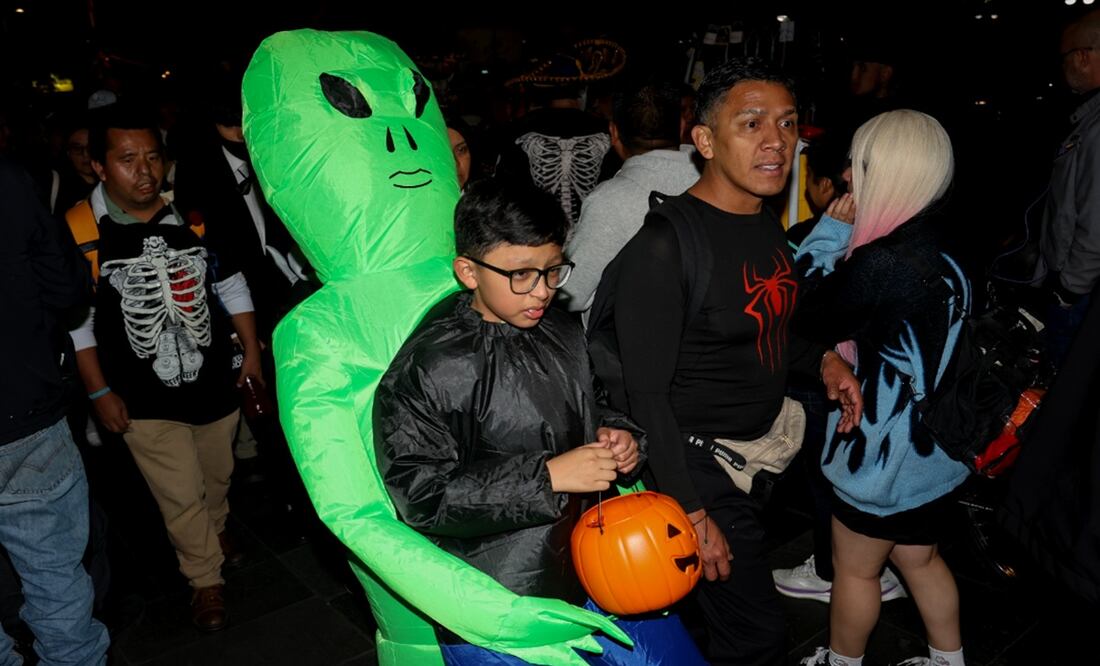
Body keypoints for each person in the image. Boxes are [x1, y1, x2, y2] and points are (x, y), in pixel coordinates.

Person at [375, 179, 704, 665]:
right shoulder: (430, 368)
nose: (543, 291)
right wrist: (548, 476)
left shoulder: (562, 329)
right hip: (501, 600)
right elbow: (423, 497)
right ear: (468, 271)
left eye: (554, 271)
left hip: (599, 563)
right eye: (522, 275)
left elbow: (594, 402)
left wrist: (621, 437)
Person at [611, 58, 862, 665]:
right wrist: (692, 513)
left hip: (757, 459)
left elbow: (763, 331)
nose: (776, 140)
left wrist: (822, 359)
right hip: (697, 469)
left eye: (787, 123)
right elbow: (645, 396)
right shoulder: (665, 245)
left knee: (719, 623)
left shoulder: (765, 223)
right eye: (751, 124)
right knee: (757, 637)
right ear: (704, 140)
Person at [65, 104, 263, 632]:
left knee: (217, 474)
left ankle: (216, 526)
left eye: (153, 157)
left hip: (214, 381)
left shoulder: (192, 213)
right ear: (100, 167)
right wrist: (98, 391)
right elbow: (76, 323)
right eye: (127, 159)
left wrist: (251, 350)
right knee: (178, 492)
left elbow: (230, 281)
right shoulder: (80, 229)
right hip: (141, 395)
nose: (144, 171)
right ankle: (205, 579)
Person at [794, 110, 970, 666]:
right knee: (921, 560)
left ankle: (839, 662)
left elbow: (804, 309)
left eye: (860, 164)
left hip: (885, 455)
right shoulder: (951, 242)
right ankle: (949, 660)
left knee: (855, 570)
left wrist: (830, 231)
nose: (847, 177)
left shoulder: (884, 261)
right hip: (939, 451)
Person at [0, 157, 110, 665]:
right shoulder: (7, 177)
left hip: (26, 413)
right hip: (24, 412)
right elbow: (69, 289)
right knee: (55, 579)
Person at [560, 78, 701, 317]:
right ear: (681, 126)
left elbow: (572, 295)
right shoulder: (718, 179)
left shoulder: (610, 202)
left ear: (613, 133)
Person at [1036, 8, 1100, 367]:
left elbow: (1096, 219)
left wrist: (1069, 289)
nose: (1063, 70)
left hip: (1080, 295)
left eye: (1065, 59)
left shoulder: (1098, 127)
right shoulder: (1089, 118)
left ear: (1083, 56)